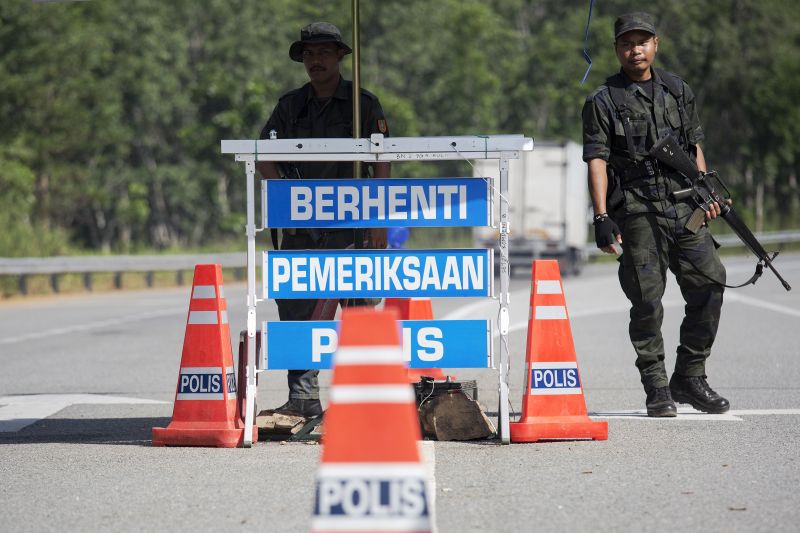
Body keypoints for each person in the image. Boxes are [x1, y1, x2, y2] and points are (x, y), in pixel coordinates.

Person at [581, 12, 730, 417]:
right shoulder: (603, 101)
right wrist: (600, 215)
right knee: (646, 300)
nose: (635, 49)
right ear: (617, 49)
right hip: (637, 208)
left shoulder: (678, 90)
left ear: (655, 44)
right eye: (627, 43)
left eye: (642, 41)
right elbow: (596, 159)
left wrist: (705, 190)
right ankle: (657, 386)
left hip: (684, 205)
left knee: (711, 284)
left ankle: (690, 376)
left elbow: (693, 145)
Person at [256, 22, 391, 419]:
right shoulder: (289, 106)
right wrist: (287, 199)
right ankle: (303, 399)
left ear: (340, 57)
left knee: (360, 311)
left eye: (324, 53)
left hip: (353, 225)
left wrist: (379, 220)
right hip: (303, 227)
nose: (316, 61)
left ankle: (364, 399)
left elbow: (381, 161)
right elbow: (264, 156)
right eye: (309, 54)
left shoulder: (363, 104)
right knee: (298, 310)